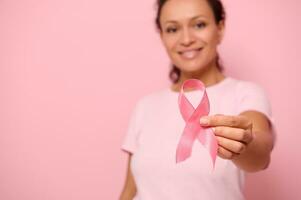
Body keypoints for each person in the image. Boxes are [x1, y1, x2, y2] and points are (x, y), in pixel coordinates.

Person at [119, 0, 275, 199]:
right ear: (162, 36)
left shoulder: (246, 93)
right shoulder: (145, 106)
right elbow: (129, 190)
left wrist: (245, 143)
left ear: (220, 28)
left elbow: (260, 156)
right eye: (173, 29)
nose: (186, 39)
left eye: (199, 24)